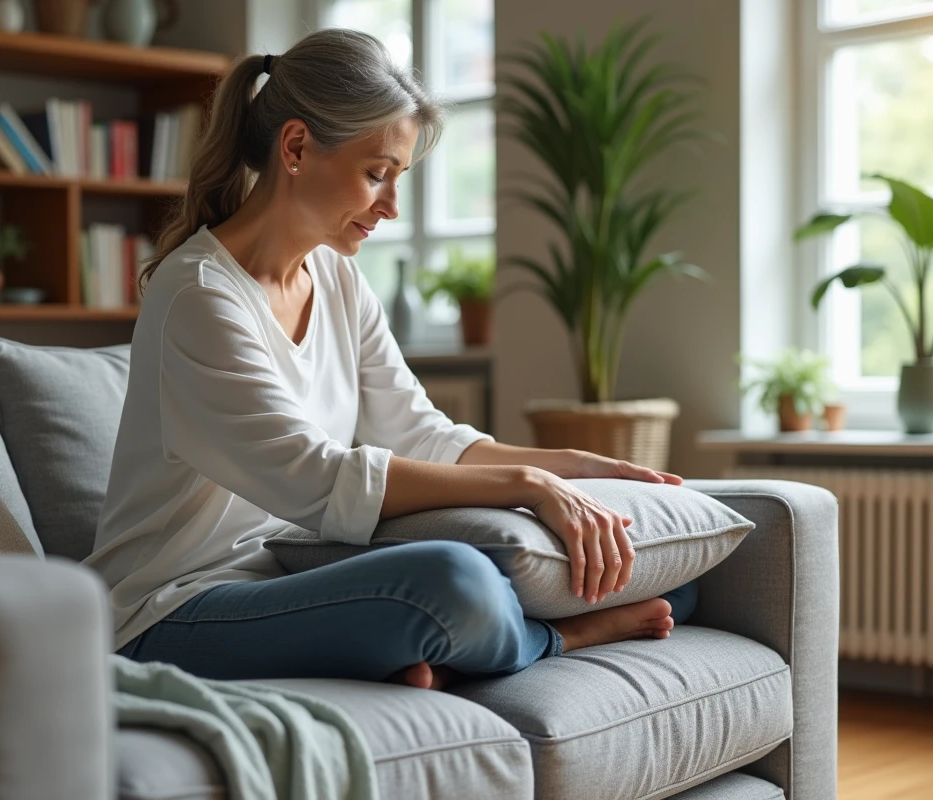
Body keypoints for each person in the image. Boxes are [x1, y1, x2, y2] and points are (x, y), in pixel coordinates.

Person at [85, 28, 696, 692]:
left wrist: (574, 470)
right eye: (377, 174)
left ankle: (422, 650)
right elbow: (314, 476)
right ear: (296, 148)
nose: (392, 207)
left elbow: (421, 435)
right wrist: (528, 484)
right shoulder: (199, 295)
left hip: (295, 573)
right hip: (172, 609)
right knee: (454, 582)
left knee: (661, 574)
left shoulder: (338, 279)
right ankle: (557, 638)